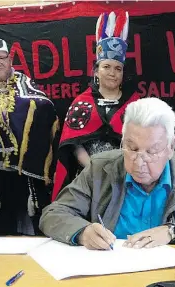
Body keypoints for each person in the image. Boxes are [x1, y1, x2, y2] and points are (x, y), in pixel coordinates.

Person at [40, 97, 175, 250]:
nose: (139, 161)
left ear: (170, 147)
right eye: (131, 148)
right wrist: (82, 232)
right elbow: (53, 214)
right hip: (110, 277)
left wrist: (174, 232)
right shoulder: (100, 168)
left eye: (151, 151)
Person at [0, 37, 59, 236]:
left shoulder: (28, 86)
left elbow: (45, 110)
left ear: (10, 59)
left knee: (33, 227)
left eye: (1, 58)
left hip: (27, 173)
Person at [52, 10, 139, 200]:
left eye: (118, 69)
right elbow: (73, 145)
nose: (112, 73)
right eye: (106, 67)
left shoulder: (135, 103)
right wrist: (94, 168)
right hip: (89, 176)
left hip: (127, 175)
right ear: (96, 71)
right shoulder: (82, 102)